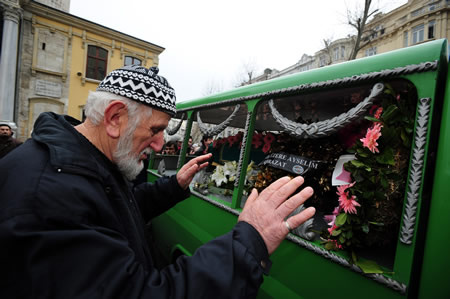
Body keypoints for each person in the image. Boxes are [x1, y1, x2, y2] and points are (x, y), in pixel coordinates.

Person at [0, 65, 315, 298]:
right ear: (114, 118)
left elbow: (122, 210)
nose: (160, 144)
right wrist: (249, 241)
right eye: (154, 130)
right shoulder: (49, 193)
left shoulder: (86, 163)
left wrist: (174, 186)